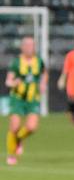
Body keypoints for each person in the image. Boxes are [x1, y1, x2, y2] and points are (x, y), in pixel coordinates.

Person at [5, 36, 47, 165]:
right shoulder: (16, 62)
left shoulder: (39, 61)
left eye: (32, 45)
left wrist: (43, 84)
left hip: (33, 99)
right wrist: (14, 83)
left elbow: (44, 73)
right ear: (22, 47)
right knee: (15, 127)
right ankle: (12, 155)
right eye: (27, 45)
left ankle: (18, 139)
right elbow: (8, 81)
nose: (30, 48)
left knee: (32, 127)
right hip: (17, 99)